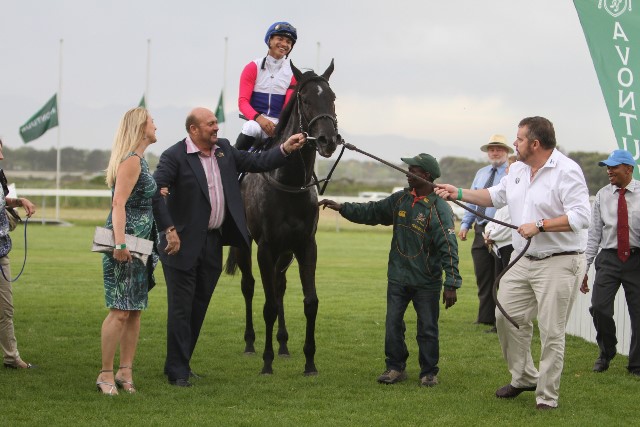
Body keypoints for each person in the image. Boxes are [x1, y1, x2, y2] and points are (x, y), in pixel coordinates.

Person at [435, 116, 590, 410]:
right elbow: (495, 195)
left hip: (560, 261)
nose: (514, 144)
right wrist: (458, 192)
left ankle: (547, 397)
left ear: (535, 143)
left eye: (519, 139)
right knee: (505, 316)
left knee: (551, 332)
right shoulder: (517, 169)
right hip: (522, 259)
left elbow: (582, 216)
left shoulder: (567, 170)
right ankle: (524, 377)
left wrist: (540, 225)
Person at [152, 107, 307, 387]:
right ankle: (177, 371)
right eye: (210, 124)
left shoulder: (224, 150)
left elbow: (257, 161)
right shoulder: (174, 156)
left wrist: (285, 148)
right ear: (193, 130)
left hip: (213, 243)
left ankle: (180, 363)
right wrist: (169, 230)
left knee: (198, 308)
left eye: (216, 123)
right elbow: (156, 192)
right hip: (180, 245)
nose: (216, 128)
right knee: (181, 309)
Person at [319, 153, 461, 387]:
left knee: (427, 328)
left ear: (426, 175)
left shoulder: (440, 208)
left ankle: (428, 372)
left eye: (413, 170)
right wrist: (343, 208)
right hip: (397, 278)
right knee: (393, 324)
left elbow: (449, 246)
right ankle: (395, 368)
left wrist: (452, 283)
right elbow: (372, 211)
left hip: (426, 281)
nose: (407, 173)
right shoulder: (400, 199)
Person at [95, 107, 159, 395]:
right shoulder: (131, 160)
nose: (156, 126)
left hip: (140, 247)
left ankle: (125, 371)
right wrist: (119, 244)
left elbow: (136, 197)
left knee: (134, 311)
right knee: (120, 311)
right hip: (126, 246)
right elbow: (118, 203)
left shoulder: (140, 160)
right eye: (152, 122)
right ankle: (105, 374)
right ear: (141, 127)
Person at [580, 149, 640, 377]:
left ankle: (636, 365)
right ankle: (607, 351)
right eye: (608, 167)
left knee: (638, 314)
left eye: (614, 167)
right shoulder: (602, 195)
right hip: (609, 258)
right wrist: (584, 268)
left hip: (636, 259)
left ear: (629, 169)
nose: (609, 171)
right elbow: (594, 235)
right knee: (599, 307)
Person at [459, 134, 512, 333]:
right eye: (491, 149)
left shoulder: (511, 172)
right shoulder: (481, 173)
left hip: (501, 230)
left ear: (506, 152)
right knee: (483, 275)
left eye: (499, 149)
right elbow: (472, 200)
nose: (495, 152)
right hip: (480, 228)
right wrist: (466, 224)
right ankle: (485, 317)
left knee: (501, 276)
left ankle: (502, 321)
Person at [0, 138, 37, 370]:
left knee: (6, 309)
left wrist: (19, 201)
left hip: (1, 252)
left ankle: (11, 358)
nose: (2, 156)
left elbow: (3, 201)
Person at [236, 21, 298, 151]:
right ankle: (233, 161)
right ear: (269, 40)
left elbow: (288, 106)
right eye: (280, 39)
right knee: (250, 128)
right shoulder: (252, 67)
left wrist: (280, 125)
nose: (284, 44)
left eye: (288, 42)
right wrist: (260, 119)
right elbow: (243, 102)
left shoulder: (292, 73)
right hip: (256, 122)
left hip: (279, 125)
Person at [483, 155, 518, 333]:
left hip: (510, 246)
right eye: (509, 167)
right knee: (500, 285)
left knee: (509, 287)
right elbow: (495, 219)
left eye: (513, 167)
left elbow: (509, 225)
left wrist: (492, 236)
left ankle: (509, 323)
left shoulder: (519, 196)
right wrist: (488, 232)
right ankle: (501, 324)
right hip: (499, 247)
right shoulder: (506, 192)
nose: (508, 170)